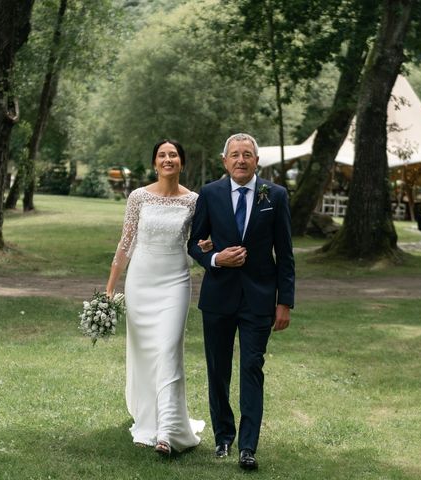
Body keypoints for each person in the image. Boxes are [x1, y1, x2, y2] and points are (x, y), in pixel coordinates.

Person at [187, 133, 295, 471]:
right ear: (225, 161)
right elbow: (194, 242)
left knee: (252, 368)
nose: (241, 160)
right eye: (234, 154)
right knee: (218, 370)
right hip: (218, 296)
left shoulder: (274, 195)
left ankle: (248, 447)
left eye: (247, 154)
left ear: (257, 161)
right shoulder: (210, 193)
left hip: (259, 300)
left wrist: (284, 302)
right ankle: (223, 437)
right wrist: (217, 258)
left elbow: (286, 254)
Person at [106, 139, 209, 457]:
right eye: (162, 155)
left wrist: (207, 247)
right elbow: (126, 243)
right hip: (141, 281)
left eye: (173, 155)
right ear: (154, 163)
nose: (168, 159)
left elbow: (197, 241)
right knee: (145, 353)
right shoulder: (138, 197)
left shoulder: (193, 201)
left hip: (176, 282)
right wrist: (110, 288)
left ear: (181, 162)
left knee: (168, 350)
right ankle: (148, 419)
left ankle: (168, 431)